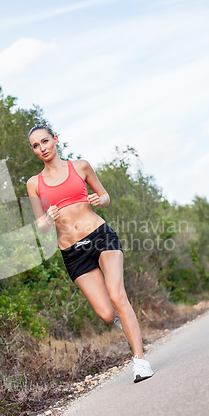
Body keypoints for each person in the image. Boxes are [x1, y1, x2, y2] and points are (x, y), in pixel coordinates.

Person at [26, 124, 154, 383]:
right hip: (72, 252)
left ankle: (140, 361)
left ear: (55, 140)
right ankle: (124, 318)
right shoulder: (34, 184)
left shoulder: (80, 166)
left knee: (118, 296)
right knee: (107, 314)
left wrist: (100, 200)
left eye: (45, 142)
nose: (42, 148)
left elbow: (104, 195)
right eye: (36, 146)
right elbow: (39, 224)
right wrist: (48, 219)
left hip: (100, 236)